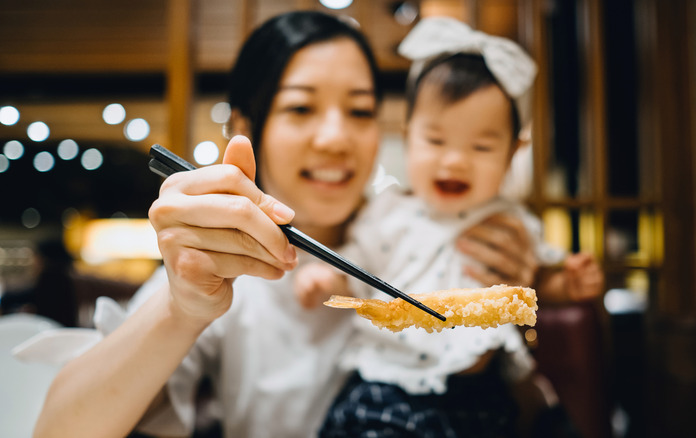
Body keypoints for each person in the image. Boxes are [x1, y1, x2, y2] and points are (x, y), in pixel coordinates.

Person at [33, 11, 541, 438]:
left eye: (361, 111)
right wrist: (182, 307)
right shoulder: (223, 266)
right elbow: (60, 428)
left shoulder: (438, 232)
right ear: (244, 128)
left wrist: (527, 300)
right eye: (301, 107)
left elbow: (528, 404)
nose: (336, 137)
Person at [292, 17, 602, 437]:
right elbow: (356, 268)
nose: (454, 160)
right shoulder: (389, 213)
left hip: (480, 387)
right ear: (408, 136)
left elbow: (537, 281)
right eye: (436, 141)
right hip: (390, 381)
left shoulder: (508, 221)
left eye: (481, 146)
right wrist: (324, 279)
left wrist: (568, 285)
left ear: (512, 153)